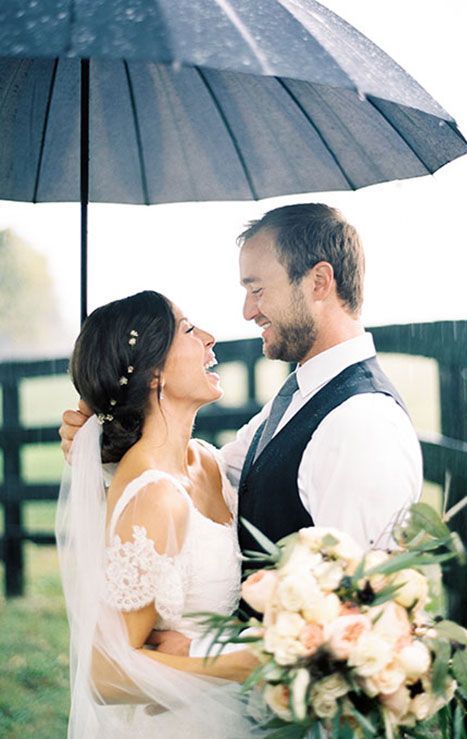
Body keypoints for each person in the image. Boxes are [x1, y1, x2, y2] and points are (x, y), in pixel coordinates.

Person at [60, 203, 422, 656]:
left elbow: (354, 619)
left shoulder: (359, 423)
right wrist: (105, 445)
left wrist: (200, 651)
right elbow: (214, 479)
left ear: (318, 282)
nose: (248, 310)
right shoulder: (299, 395)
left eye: (257, 289)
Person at [56, 290, 261, 738]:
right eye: (188, 329)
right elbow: (104, 674)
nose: (208, 338)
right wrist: (240, 664)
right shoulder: (154, 497)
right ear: (153, 374)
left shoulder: (206, 462)